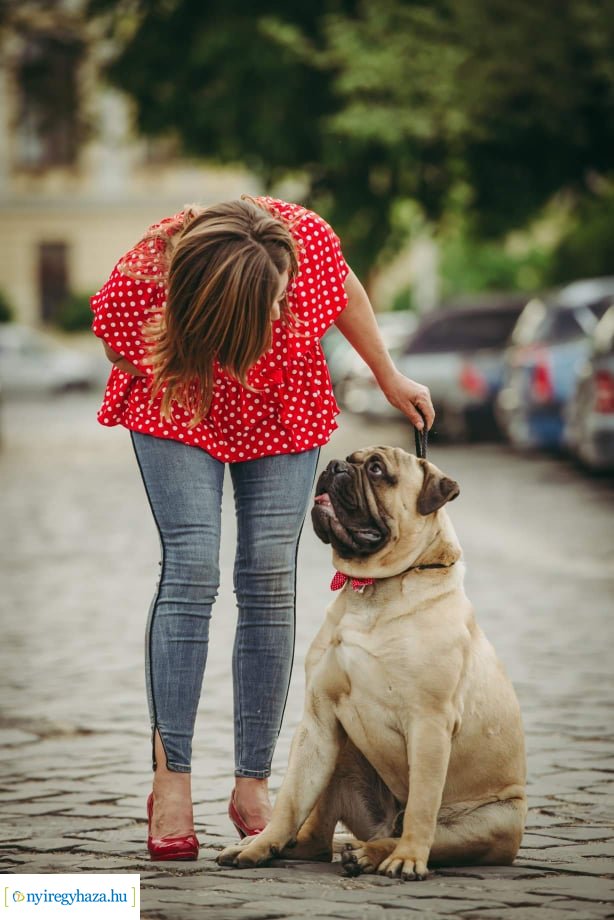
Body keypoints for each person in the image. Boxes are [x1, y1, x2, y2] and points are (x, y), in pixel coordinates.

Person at [90, 196, 434, 861]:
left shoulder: (302, 237)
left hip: (283, 403)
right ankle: (172, 782)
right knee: (192, 570)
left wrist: (387, 374)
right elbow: (117, 347)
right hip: (182, 398)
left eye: (282, 298)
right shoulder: (145, 280)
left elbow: (344, 288)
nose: (281, 311)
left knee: (269, 577)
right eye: (266, 306)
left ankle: (253, 784)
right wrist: (194, 362)